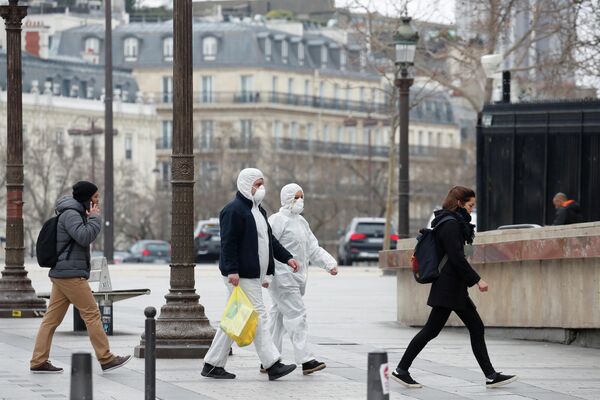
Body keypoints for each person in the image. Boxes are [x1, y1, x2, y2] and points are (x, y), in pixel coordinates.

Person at [392, 186, 517, 389]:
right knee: (436, 330)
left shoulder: (451, 222)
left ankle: (490, 375)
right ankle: (401, 369)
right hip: (449, 286)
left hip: (452, 286)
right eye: (470, 205)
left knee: (469, 327)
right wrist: (477, 279)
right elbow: (457, 258)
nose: (471, 209)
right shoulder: (450, 225)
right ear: (459, 203)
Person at [202, 168, 301, 381]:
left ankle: (212, 364)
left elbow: (270, 241)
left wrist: (287, 257)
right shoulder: (233, 210)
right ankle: (273, 363)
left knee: (236, 317)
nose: (261, 188)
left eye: (262, 184)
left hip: (251, 274)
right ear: (246, 185)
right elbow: (228, 243)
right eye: (257, 184)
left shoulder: (259, 211)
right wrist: (232, 270)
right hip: (241, 274)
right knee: (259, 315)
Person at [31, 181, 131, 374]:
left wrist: (88, 218)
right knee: (92, 314)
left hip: (64, 273)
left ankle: (38, 360)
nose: (97, 201)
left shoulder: (73, 213)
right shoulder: (70, 214)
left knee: (51, 319)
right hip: (71, 274)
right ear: (86, 199)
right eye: (95, 198)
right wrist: (94, 219)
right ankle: (106, 358)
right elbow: (84, 237)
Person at [265, 183, 338, 376]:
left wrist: (329, 263)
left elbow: (313, 248)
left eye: (301, 197)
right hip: (282, 278)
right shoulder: (277, 220)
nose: (299, 201)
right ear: (286, 198)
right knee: (297, 315)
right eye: (295, 197)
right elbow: (267, 248)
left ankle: (268, 358)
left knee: (278, 318)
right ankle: (306, 360)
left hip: (296, 278)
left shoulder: (301, 222)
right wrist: (266, 275)